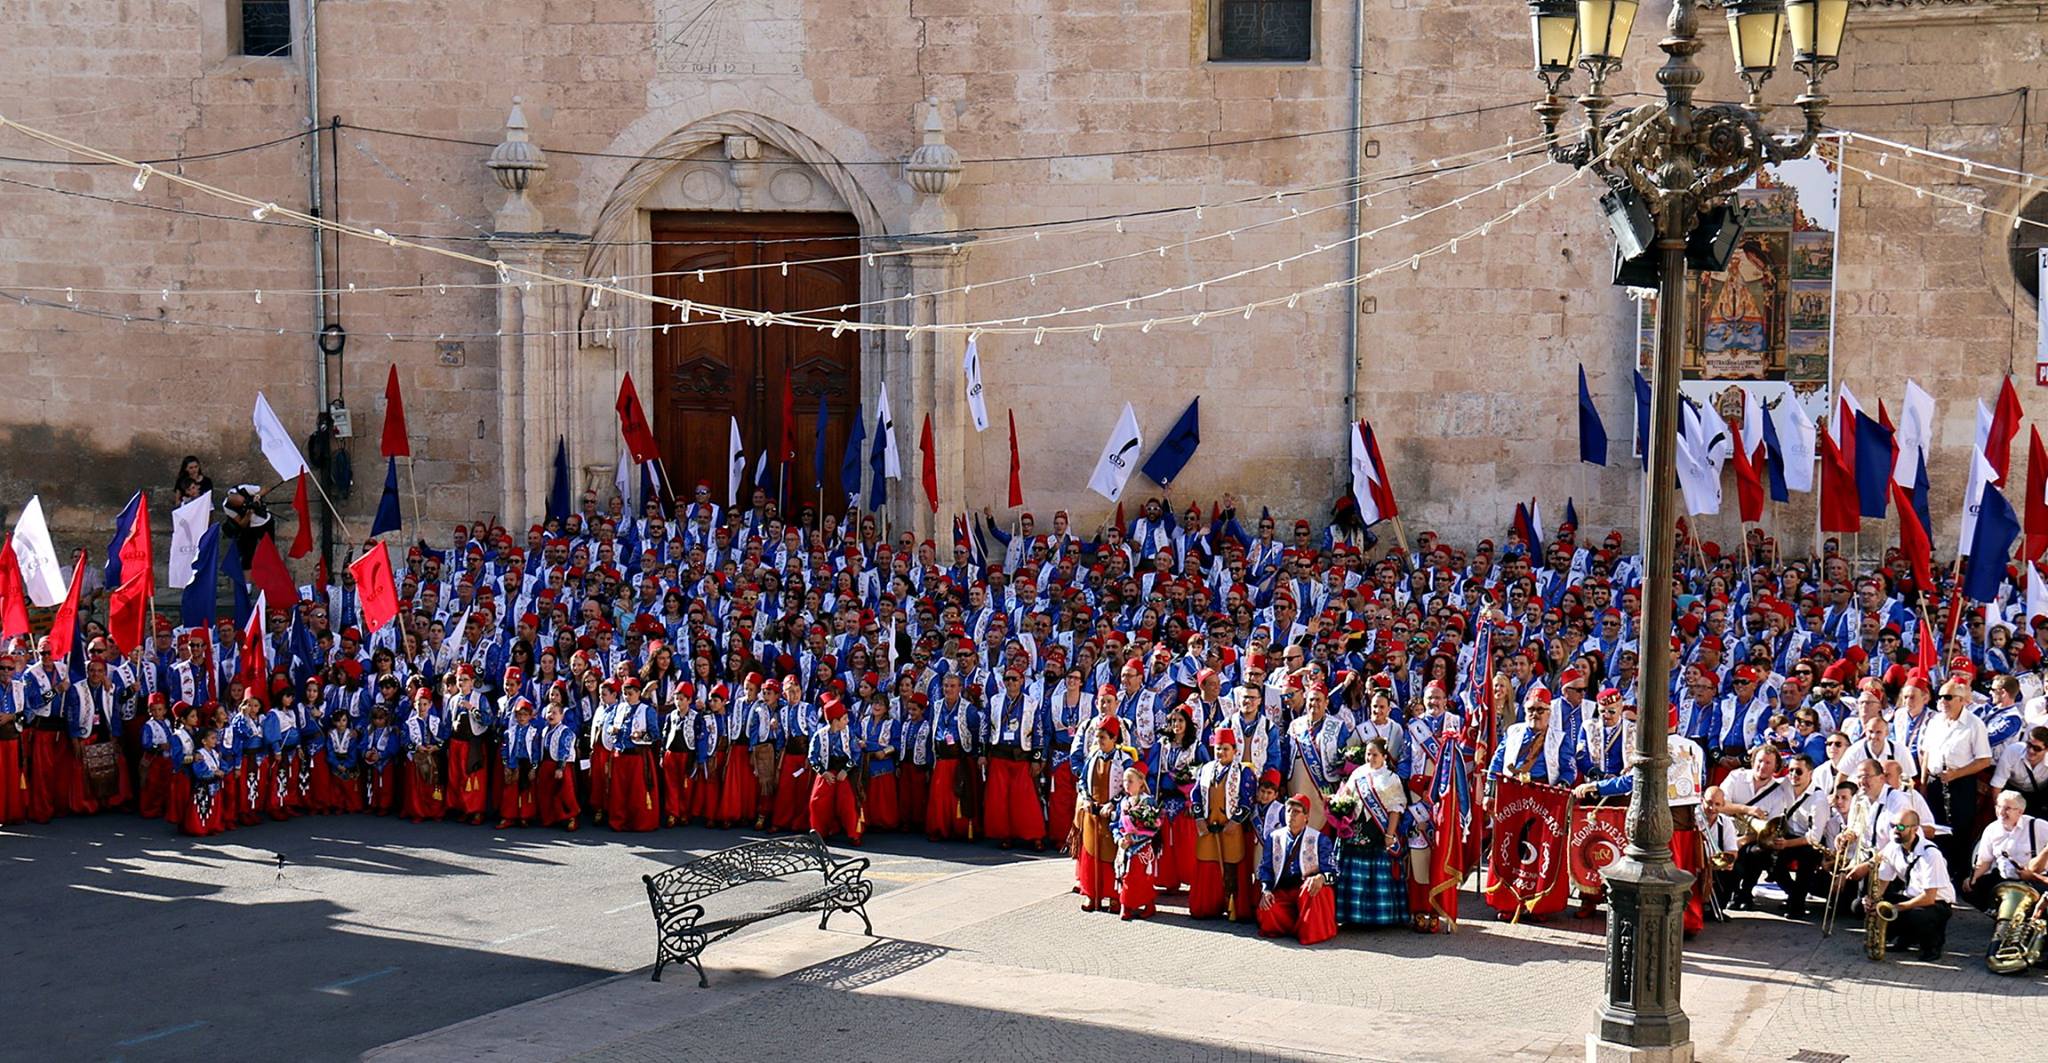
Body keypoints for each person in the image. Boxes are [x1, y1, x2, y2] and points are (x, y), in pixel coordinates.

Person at [1921, 677, 1995, 875]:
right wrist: (1923, 783)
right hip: (1936, 781)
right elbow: (1926, 752)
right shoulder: (1935, 721)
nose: (1943, 701)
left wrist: (1956, 774)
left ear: (1962, 700)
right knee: (1935, 828)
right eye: (1941, 697)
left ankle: (1958, 876)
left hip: (1960, 782)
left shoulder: (1974, 724)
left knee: (1960, 831)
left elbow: (1984, 760)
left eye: (1948, 697)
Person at [1334, 738, 1408, 929]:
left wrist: (1390, 835)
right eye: (1368, 754)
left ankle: (1377, 918)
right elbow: (1346, 795)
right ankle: (1352, 916)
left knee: (1376, 875)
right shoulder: (1358, 773)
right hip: (1356, 830)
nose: (1370, 758)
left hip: (1378, 832)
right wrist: (1337, 804)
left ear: (1384, 756)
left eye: (1375, 754)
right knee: (1354, 875)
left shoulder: (1391, 778)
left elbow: (1395, 809)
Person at [1865, 809, 1956, 960]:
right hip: (1912, 898)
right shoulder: (1893, 847)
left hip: (1937, 904)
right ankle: (1905, 939)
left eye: (1900, 827)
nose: (1895, 830)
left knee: (1916, 916)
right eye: (1892, 825)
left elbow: (1929, 898)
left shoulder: (1930, 854)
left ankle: (1932, 946)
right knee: (1877, 905)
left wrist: (1897, 908)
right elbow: (1883, 881)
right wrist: (1872, 901)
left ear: (1914, 829)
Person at [1188, 728, 1257, 921]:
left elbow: (1247, 800)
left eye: (1226, 749)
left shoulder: (1244, 772)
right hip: (1208, 828)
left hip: (1231, 829)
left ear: (1235, 750)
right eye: (1218, 749)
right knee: (1207, 865)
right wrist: (1200, 819)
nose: (1221, 753)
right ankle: (1207, 906)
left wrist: (1235, 822)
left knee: (1232, 867)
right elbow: (1195, 796)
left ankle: (1235, 907)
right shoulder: (1206, 769)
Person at [1257, 793, 1338, 945]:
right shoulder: (1274, 838)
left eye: (1296, 812)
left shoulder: (1320, 840)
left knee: (1312, 888)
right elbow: (1265, 868)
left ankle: (1309, 930)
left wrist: (1321, 878)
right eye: (1288, 811)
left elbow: (1334, 873)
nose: (1291, 815)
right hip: (1283, 890)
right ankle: (1296, 927)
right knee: (1268, 910)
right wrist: (1266, 890)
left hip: (1307, 892)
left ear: (1306, 816)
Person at [1073, 716, 1128, 912]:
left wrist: (1114, 804)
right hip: (1092, 813)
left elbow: (1129, 787)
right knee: (1090, 853)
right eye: (1098, 737)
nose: (1099, 741)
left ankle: (1114, 896)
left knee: (1110, 856)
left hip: (1111, 816)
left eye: (1103, 737)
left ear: (1114, 738)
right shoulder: (1093, 757)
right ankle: (1090, 893)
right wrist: (1086, 799)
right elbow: (1082, 781)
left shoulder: (1124, 760)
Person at [1962, 790, 2047, 910]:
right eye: (1999, 806)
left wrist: (2041, 862)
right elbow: (1984, 861)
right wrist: (1972, 879)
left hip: (2034, 881)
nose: (2001, 812)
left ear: (2020, 811)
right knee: (1969, 890)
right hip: (2003, 879)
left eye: (2007, 808)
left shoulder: (2037, 825)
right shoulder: (1992, 829)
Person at [806, 694, 862, 845]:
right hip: (827, 771)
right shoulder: (820, 735)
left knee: (847, 802)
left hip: (844, 772)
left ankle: (853, 834)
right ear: (835, 721)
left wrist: (846, 770)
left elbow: (856, 753)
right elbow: (813, 757)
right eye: (844, 719)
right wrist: (823, 773)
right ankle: (818, 832)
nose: (847, 721)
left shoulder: (849, 733)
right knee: (817, 801)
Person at [1112, 760, 1160, 921]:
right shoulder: (1123, 802)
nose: (1126, 784)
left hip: (1142, 847)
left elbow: (1152, 827)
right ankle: (1126, 905)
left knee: (1139, 878)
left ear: (1141, 782)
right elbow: (1117, 825)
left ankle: (1148, 904)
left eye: (1130, 781)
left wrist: (1134, 838)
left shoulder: (1147, 802)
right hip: (1125, 847)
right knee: (1123, 875)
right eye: (1124, 781)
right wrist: (1119, 839)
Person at [498, 698, 541, 829]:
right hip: (512, 764)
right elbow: (504, 749)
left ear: (530, 716)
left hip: (526, 764)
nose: (522, 717)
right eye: (519, 715)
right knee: (510, 793)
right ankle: (508, 817)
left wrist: (534, 768)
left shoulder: (534, 733)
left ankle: (525, 816)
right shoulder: (509, 732)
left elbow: (536, 752)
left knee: (526, 791)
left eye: (525, 715)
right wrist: (505, 764)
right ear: (515, 716)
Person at [1992, 725, 2048, 819]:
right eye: (2029, 745)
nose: (2030, 751)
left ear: (2046, 749)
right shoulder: (2012, 751)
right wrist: (2000, 813)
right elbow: (1997, 786)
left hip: (2036, 796)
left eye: (2037, 748)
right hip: (2010, 790)